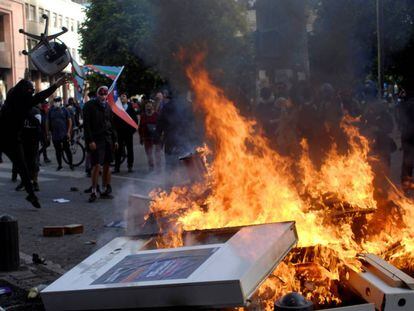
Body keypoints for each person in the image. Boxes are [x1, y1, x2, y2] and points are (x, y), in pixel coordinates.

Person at [0, 77, 67, 208]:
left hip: (13, 139)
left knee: (23, 168)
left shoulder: (15, 100)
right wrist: (55, 86)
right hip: (7, 138)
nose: (31, 93)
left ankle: (31, 194)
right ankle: (31, 194)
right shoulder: (19, 101)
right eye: (30, 90)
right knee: (23, 168)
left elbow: (27, 110)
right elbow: (38, 97)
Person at [83, 86, 118, 202]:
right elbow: (86, 125)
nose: (103, 96)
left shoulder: (108, 107)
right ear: (97, 94)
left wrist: (115, 140)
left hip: (108, 139)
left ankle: (105, 188)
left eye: (105, 94)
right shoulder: (89, 106)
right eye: (101, 94)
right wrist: (90, 141)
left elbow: (112, 124)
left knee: (107, 165)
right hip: (96, 140)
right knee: (96, 165)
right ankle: (94, 190)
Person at [16, 106, 42, 192]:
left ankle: (35, 182)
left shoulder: (36, 111)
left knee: (34, 162)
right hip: (23, 141)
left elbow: (38, 123)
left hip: (33, 141)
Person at [113, 92, 138, 173]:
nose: (122, 98)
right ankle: (117, 167)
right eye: (121, 97)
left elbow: (135, 121)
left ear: (127, 98)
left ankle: (130, 166)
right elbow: (114, 120)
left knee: (130, 149)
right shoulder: (117, 108)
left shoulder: (130, 108)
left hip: (128, 132)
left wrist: (132, 131)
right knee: (118, 150)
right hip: (119, 132)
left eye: (124, 96)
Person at [48, 96, 74, 171]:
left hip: (64, 134)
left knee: (67, 150)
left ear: (61, 101)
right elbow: (47, 121)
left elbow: (70, 121)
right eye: (55, 101)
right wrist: (48, 133)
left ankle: (71, 164)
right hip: (55, 134)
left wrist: (69, 132)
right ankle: (59, 165)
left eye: (58, 101)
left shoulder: (65, 110)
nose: (56, 102)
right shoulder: (51, 111)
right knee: (57, 151)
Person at [139, 100, 161, 171]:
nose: (148, 107)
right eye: (147, 106)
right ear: (145, 107)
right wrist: (141, 137)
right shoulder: (143, 116)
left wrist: (161, 136)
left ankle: (158, 168)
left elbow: (160, 126)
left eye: (149, 105)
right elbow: (140, 127)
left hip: (156, 137)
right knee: (149, 154)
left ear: (152, 106)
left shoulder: (156, 115)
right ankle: (151, 168)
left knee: (157, 153)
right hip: (147, 138)